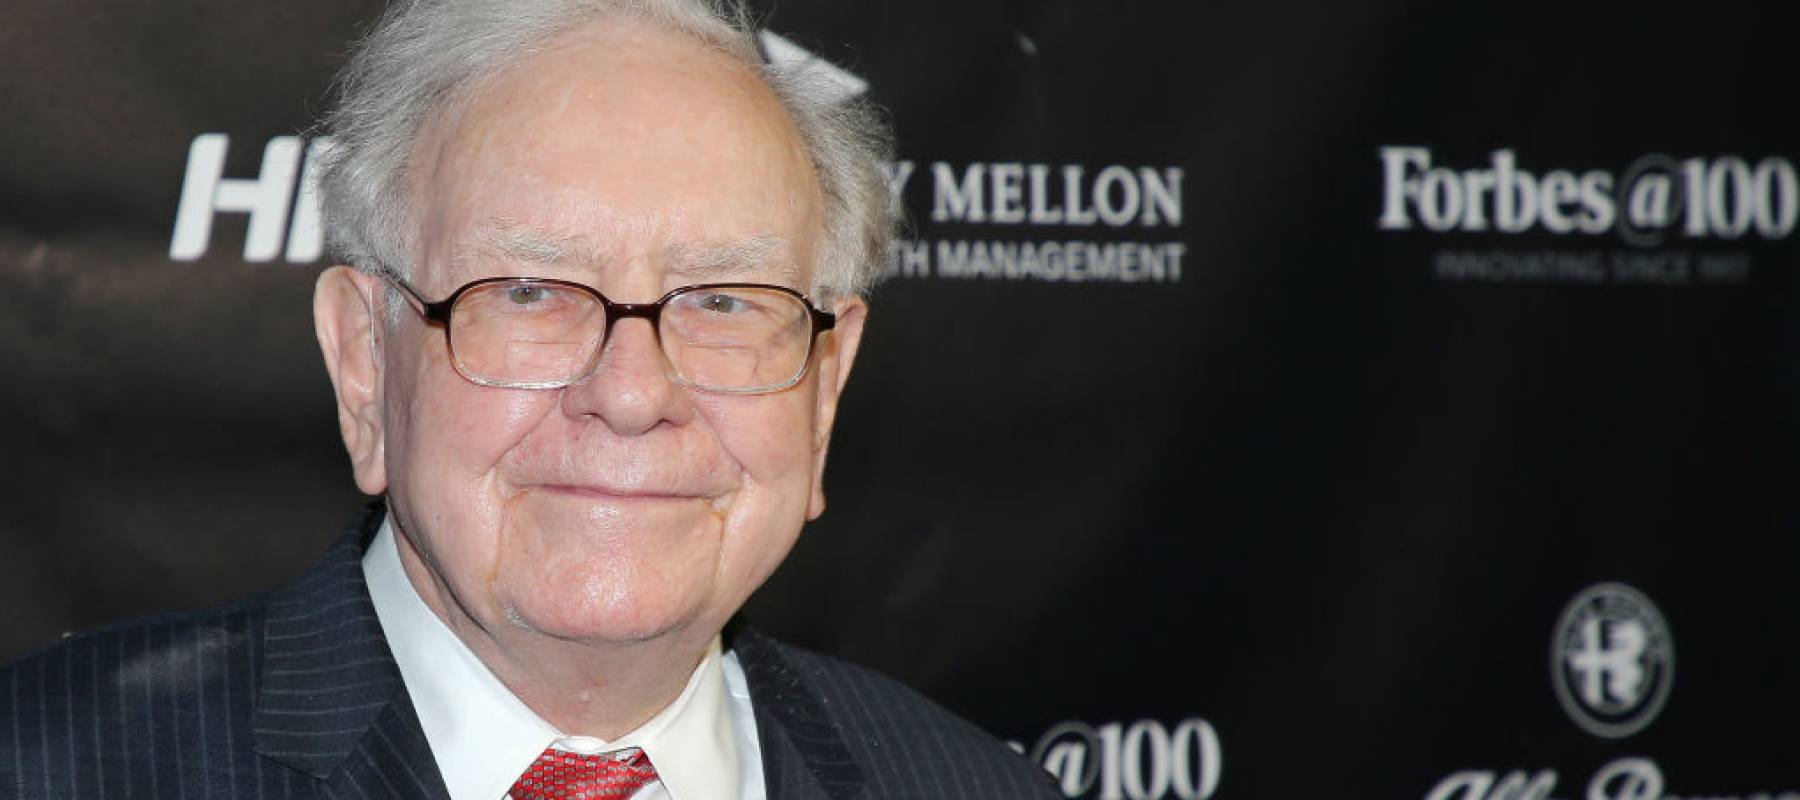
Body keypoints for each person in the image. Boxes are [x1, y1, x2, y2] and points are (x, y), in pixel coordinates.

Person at [0, 1, 1059, 797]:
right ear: (365, 363)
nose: (636, 392)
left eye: (726, 300)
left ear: (825, 392)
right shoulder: (54, 765)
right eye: (529, 291)